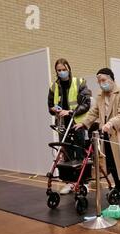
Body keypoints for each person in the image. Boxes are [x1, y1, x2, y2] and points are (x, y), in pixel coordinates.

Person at [75, 68, 120, 199]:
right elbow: (94, 112)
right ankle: (119, 186)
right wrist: (84, 123)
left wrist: (110, 123)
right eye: (99, 81)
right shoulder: (100, 95)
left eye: (103, 80)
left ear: (111, 79)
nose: (101, 83)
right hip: (106, 132)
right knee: (110, 160)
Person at [48, 58, 91, 195]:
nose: (61, 72)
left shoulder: (79, 83)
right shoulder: (54, 86)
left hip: (77, 123)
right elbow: (49, 106)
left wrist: (71, 112)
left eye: (63, 69)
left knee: (79, 154)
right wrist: (54, 110)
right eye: (59, 70)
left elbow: (86, 104)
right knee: (66, 154)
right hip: (62, 124)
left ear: (69, 69)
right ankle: (69, 183)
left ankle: (83, 182)